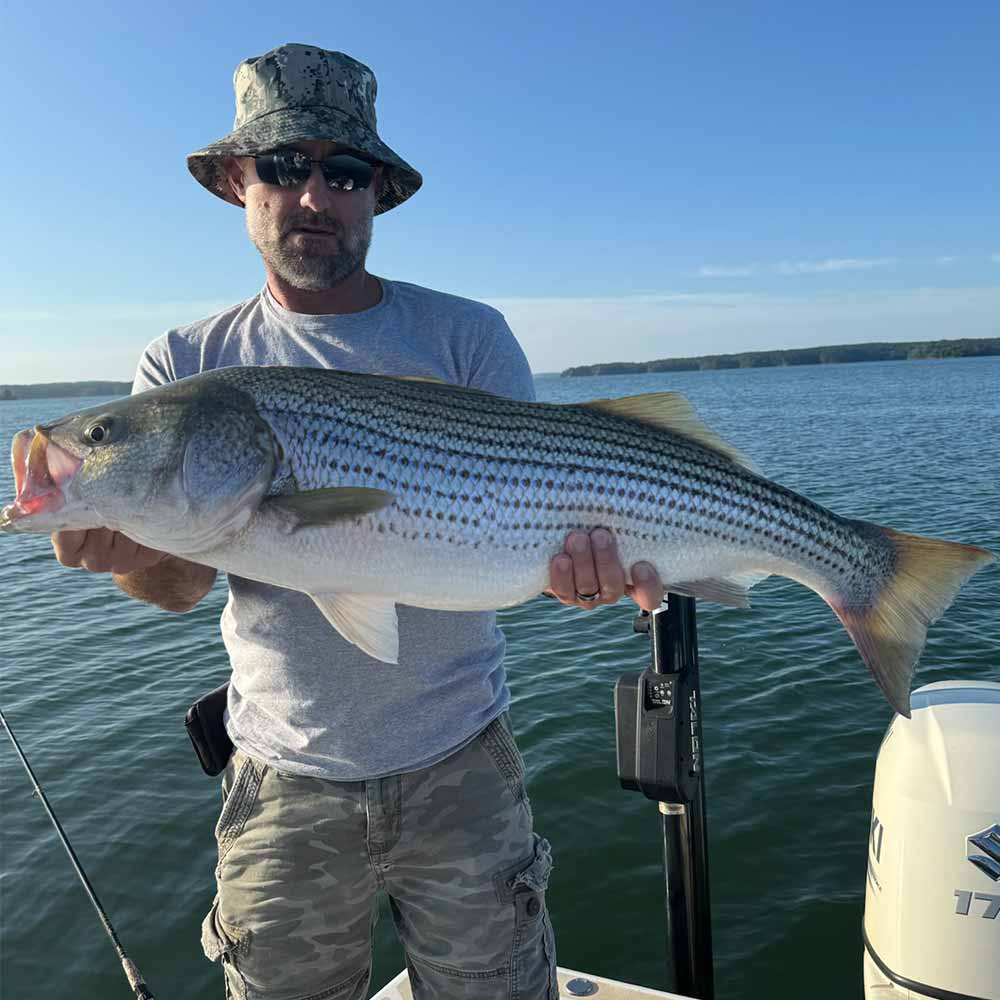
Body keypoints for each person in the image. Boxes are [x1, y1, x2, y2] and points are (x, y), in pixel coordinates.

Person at [51, 43, 665, 1000]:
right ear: (235, 183)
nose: (313, 197)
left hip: (463, 758)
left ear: (375, 192)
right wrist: (128, 549)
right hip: (282, 774)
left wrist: (584, 576)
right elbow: (175, 586)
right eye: (284, 166)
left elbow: (535, 524)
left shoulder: (466, 335)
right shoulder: (182, 365)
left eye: (343, 172)